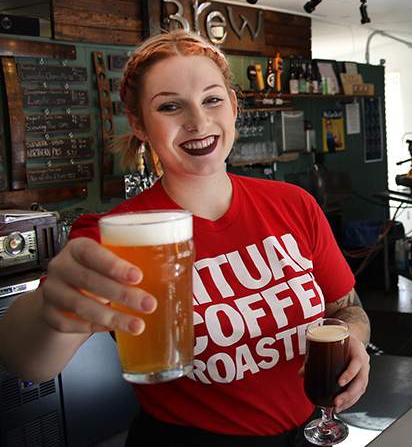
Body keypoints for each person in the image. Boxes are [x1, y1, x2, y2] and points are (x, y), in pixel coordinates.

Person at [0, 30, 370, 446]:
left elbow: (347, 309)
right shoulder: (119, 234)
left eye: (212, 99)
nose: (197, 122)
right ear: (139, 123)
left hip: (309, 434)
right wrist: (50, 308)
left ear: (233, 105)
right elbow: (28, 361)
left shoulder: (294, 204)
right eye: (170, 106)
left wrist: (352, 341)